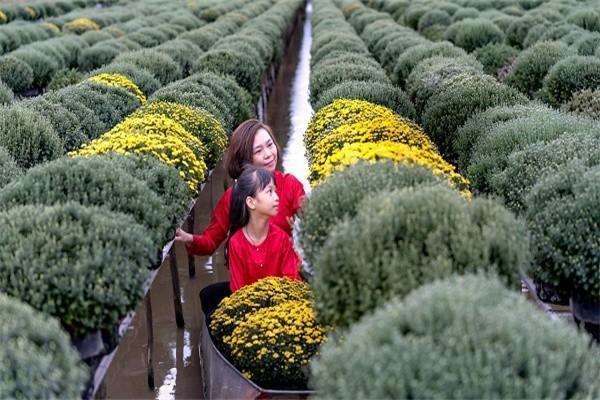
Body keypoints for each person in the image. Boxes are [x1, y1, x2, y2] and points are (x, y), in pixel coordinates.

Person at [175, 119, 305, 255]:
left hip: (284, 272)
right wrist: (188, 238)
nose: (268, 154)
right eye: (259, 151)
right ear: (246, 159)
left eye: (269, 145)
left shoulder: (289, 184)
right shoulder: (233, 197)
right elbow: (211, 242)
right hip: (246, 273)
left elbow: (312, 216)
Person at [226, 166, 301, 292]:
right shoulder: (236, 243)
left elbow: (292, 282)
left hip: (282, 306)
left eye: (276, 191)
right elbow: (238, 292)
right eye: (269, 192)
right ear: (251, 202)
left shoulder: (281, 238)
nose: (277, 197)